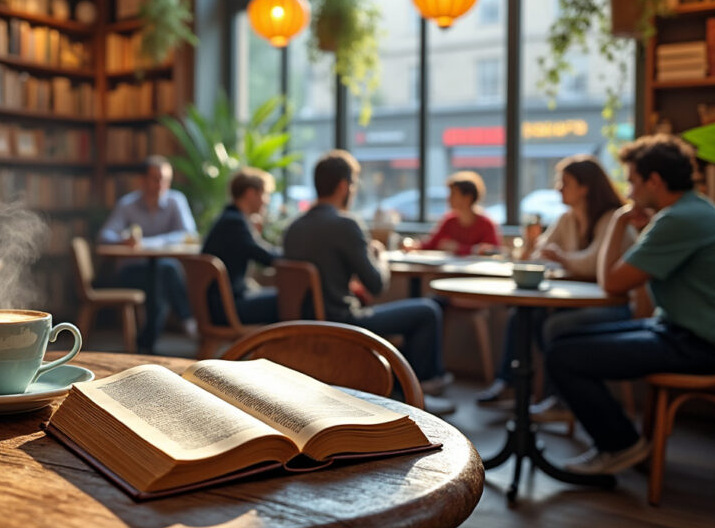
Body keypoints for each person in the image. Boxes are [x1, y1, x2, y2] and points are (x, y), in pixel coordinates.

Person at [545, 134, 715, 475]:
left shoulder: (678, 219)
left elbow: (610, 281)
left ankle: (622, 445)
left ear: (654, 181)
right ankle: (621, 441)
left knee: (562, 355)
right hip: (684, 331)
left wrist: (618, 221)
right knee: (562, 340)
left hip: (698, 344)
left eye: (631, 182)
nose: (628, 192)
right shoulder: (692, 211)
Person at [283, 150, 453, 414]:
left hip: (302, 324)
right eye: (353, 184)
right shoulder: (346, 224)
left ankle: (400, 388)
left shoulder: (294, 227)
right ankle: (417, 392)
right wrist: (379, 256)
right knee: (427, 311)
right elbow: (376, 285)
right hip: (342, 322)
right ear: (343, 186)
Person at [477, 155, 636, 412]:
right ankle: (512, 385)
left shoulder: (613, 219)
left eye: (565, 183)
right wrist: (537, 248)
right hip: (574, 301)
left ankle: (560, 396)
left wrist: (561, 257)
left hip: (615, 305)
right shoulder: (567, 219)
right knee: (522, 317)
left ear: (585, 187)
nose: (558, 189)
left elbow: (593, 263)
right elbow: (540, 255)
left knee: (556, 325)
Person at [99, 155, 198, 353]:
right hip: (131, 271)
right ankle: (187, 320)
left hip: (161, 269)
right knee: (165, 272)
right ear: (142, 180)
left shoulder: (176, 201)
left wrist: (148, 243)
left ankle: (146, 342)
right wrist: (123, 239)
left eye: (166, 180)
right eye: (156, 178)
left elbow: (189, 234)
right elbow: (104, 235)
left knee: (162, 274)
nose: (162, 184)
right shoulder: (127, 204)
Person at [201, 168, 280, 325]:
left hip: (218, 304)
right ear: (251, 193)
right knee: (289, 300)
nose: (267, 200)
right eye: (265, 194)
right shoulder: (235, 223)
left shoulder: (228, 218)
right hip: (227, 308)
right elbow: (267, 258)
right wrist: (298, 253)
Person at [411, 171, 501, 255]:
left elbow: (493, 251)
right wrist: (413, 246)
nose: (448, 198)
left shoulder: (485, 223)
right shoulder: (450, 220)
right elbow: (432, 244)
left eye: (453, 194)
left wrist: (458, 248)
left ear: (467, 197)